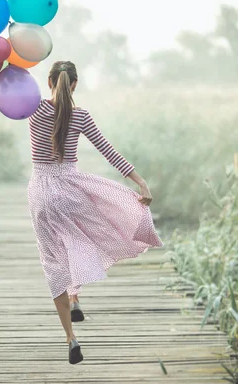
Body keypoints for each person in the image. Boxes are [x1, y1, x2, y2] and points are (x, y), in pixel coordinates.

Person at [27, 61, 163, 365]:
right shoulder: (81, 116)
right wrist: (141, 183)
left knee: (53, 264)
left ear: (48, 81)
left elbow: (6, 100)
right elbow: (108, 151)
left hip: (41, 193)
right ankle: (76, 296)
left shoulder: (34, 110)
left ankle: (70, 338)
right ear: (74, 85)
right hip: (71, 189)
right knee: (84, 240)